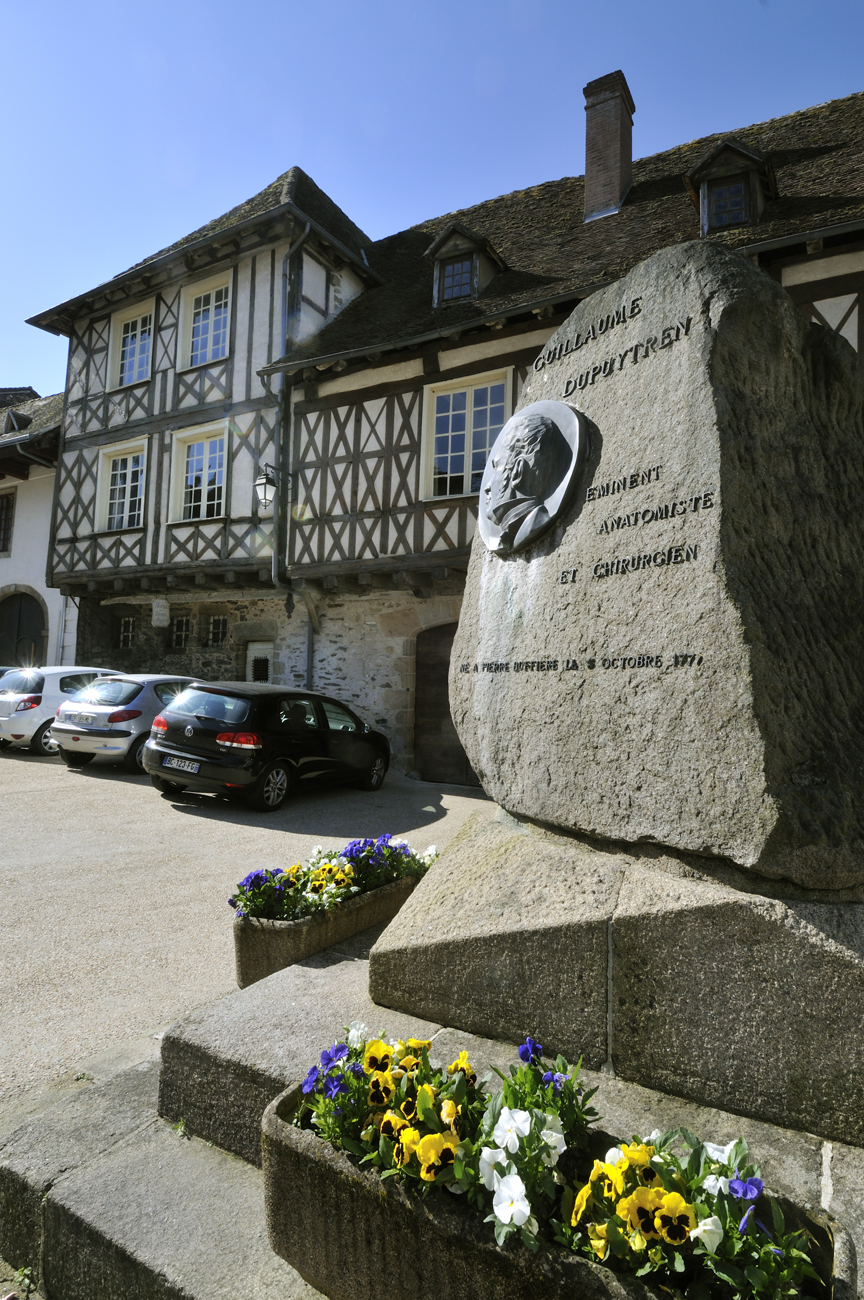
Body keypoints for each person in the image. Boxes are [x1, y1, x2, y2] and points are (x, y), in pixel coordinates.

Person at [482, 411, 571, 554]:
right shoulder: (510, 534)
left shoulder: (536, 524)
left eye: (497, 468)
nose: (487, 487)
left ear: (518, 471)